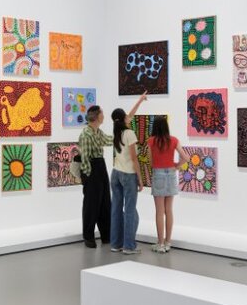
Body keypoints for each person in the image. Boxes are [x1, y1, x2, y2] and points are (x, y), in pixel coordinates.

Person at [78, 93, 147, 249]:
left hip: (104, 168)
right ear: (96, 117)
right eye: (101, 113)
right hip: (92, 171)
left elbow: (114, 135)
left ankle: (108, 237)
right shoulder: (87, 134)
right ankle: (89, 236)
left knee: (105, 204)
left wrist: (139, 101)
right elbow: (85, 159)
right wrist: (88, 178)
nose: (103, 115)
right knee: (91, 204)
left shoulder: (102, 132)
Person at [109, 93, 148, 254]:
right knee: (130, 210)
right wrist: (140, 179)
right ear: (123, 118)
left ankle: (116, 244)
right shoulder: (129, 134)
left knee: (116, 209)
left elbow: (130, 114)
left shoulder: (116, 132)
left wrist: (140, 101)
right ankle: (129, 246)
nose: (128, 116)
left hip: (115, 174)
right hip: (128, 175)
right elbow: (134, 159)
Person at [146, 116, 187, 253]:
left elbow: (151, 162)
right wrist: (176, 165)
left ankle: (160, 243)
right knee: (168, 210)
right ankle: (168, 242)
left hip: (158, 175)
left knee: (159, 211)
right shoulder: (174, 140)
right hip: (171, 174)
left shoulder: (151, 141)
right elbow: (186, 157)